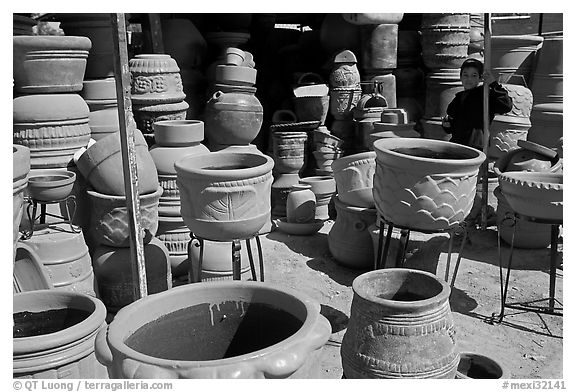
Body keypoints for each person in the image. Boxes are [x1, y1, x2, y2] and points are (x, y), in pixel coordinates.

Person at [442, 58, 513, 150]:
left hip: (476, 147)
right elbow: (451, 127)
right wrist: (446, 125)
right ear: (460, 77)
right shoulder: (458, 99)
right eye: (465, 75)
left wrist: (494, 84)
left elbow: (506, 106)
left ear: (480, 78)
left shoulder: (485, 95)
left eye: (474, 75)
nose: (469, 79)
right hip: (457, 145)